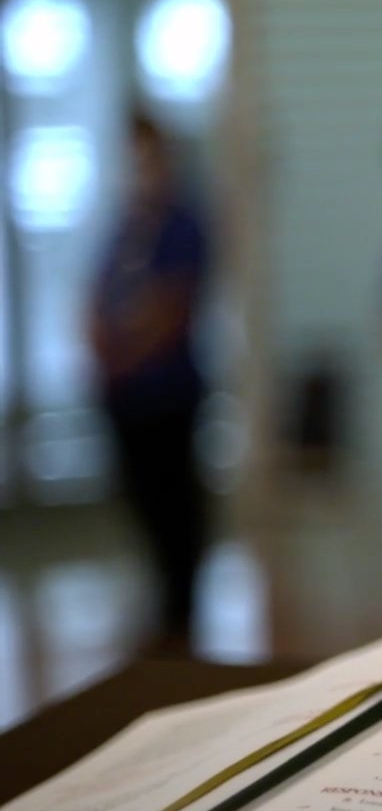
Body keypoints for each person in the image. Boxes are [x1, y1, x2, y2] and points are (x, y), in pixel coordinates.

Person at [89, 112, 212, 650]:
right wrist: (103, 348)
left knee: (175, 502)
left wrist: (131, 348)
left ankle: (181, 612)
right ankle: (162, 600)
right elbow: (95, 297)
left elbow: (172, 306)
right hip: (123, 395)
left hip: (168, 392)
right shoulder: (123, 226)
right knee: (140, 495)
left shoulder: (184, 224)